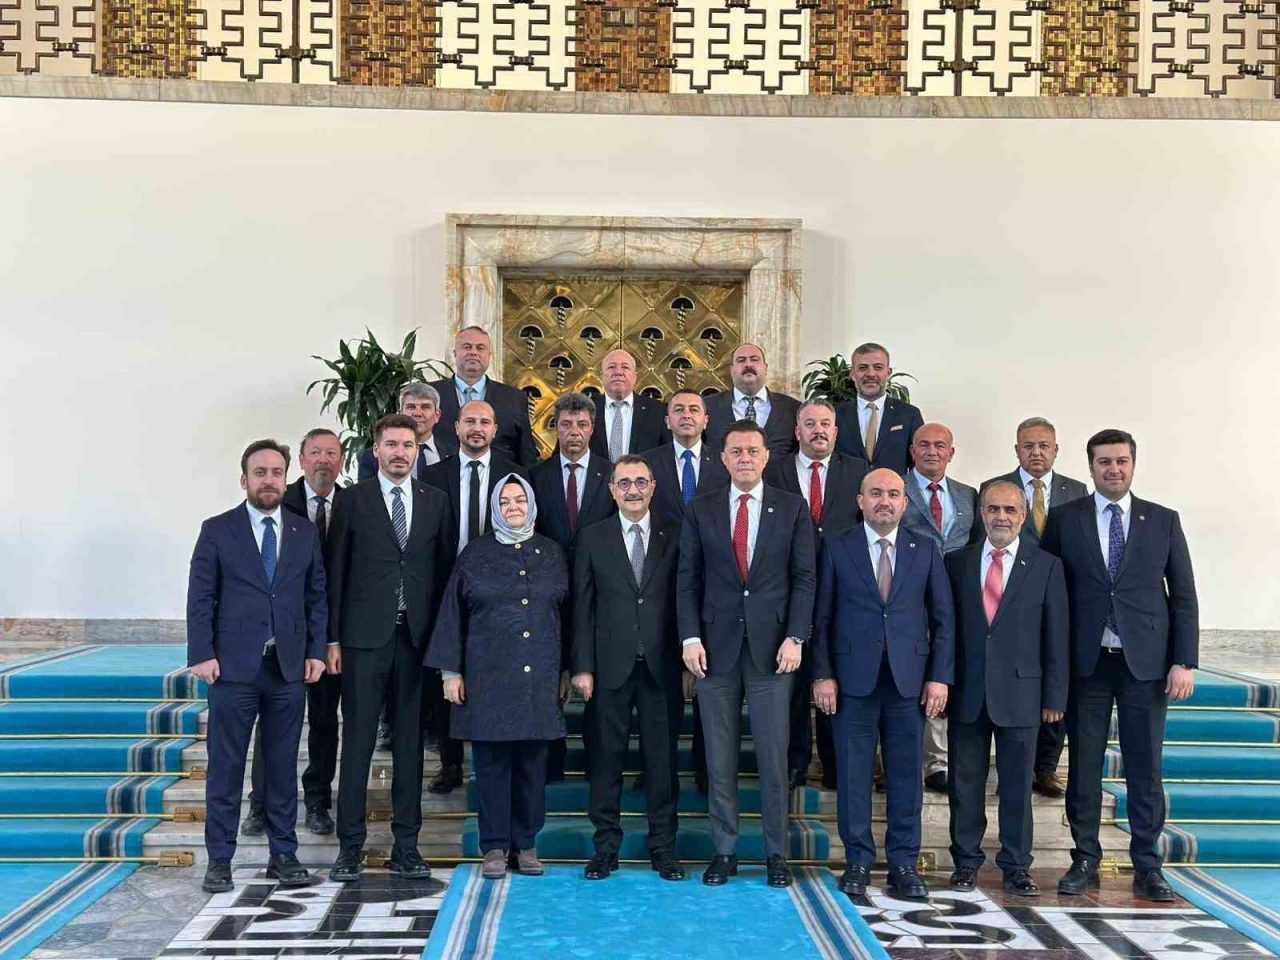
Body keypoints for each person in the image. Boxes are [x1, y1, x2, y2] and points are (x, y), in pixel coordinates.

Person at [1043, 429, 1198, 903]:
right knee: (1084, 766)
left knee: (1145, 767)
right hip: (1086, 664)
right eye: (1104, 462)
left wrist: (1184, 661)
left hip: (1145, 665)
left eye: (1121, 461)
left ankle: (1147, 865)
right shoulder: (1066, 519)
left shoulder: (1163, 520)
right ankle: (1084, 858)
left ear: (1133, 464)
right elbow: (1050, 595)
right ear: (1090, 467)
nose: (1113, 469)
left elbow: (1184, 596)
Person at [678, 420, 815, 889]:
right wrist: (689, 638)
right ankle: (725, 852)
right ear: (722, 457)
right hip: (714, 652)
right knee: (719, 760)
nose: (744, 458)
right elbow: (687, 580)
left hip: (773, 651)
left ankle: (776, 854)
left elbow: (804, 578)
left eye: (752, 451)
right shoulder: (701, 509)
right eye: (736, 451)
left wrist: (796, 637)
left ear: (766, 456)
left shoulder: (792, 508)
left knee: (773, 760)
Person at [186, 439, 327, 894]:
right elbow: (200, 597)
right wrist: (201, 653)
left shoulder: (303, 531)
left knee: (283, 766)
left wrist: (316, 651)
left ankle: (283, 855)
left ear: (287, 478)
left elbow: (316, 596)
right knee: (226, 766)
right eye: (260, 472)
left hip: (287, 668)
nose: (269, 480)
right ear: (244, 479)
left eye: (276, 472)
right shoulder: (217, 529)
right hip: (232, 669)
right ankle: (219, 860)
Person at [812, 468, 953, 901]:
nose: (884, 501)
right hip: (851, 683)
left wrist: (939, 677)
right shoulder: (837, 547)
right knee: (853, 776)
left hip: (908, 683)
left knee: (906, 777)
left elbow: (943, 620)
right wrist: (823, 674)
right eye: (876, 493)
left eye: (893, 494)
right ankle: (857, 861)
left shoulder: (924, 549)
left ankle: (903, 864)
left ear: (905, 503)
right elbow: (822, 619)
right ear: (861, 501)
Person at [325, 414, 452, 883]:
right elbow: (335, 571)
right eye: (392, 444)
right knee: (358, 743)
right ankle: (349, 847)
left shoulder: (436, 500)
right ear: (375, 450)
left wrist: (443, 645)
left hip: (415, 642)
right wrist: (332, 638)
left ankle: (407, 846)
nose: (400, 453)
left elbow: (442, 574)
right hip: (362, 641)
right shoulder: (352, 500)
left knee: (410, 747)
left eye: (408, 445)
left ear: (418, 450)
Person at [427, 475, 569, 879]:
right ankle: (494, 846)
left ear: (531, 504)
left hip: (539, 676)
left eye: (519, 499)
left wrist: (566, 669)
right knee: (491, 767)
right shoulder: (475, 554)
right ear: (495, 509)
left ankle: (526, 844)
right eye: (505, 502)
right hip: (487, 677)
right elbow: (452, 613)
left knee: (531, 767)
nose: (513, 507)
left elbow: (568, 615)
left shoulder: (551, 552)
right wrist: (450, 672)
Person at [944, 481, 1068, 897]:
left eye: (1010, 510)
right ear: (982, 513)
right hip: (968, 693)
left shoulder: (1046, 565)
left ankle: (1016, 866)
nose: (1001, 516)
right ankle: (965, 862)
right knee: (965, 785)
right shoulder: (957, 563)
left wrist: (1054, 696)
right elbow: (945, 630)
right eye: (993, 509)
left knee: (1017, 786)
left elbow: (1056, 635)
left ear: (1023, 515)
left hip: (1022, 694)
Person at [571, 456, 685, 882]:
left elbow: (685, 599)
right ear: (612, 490)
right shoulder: (592, 537)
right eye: (624, 483)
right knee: (606, 762)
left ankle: (664, 849)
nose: (633, 489)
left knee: (662, 764)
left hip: (662, 667)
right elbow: (582, 607)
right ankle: (605, 850)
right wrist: (582, 666)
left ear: (653, 486)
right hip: (607, 669)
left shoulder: (676, 533)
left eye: (640, 481)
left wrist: (688, 660)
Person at [976, 416, 1090, 800]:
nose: (1036, 452)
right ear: (1017, 450)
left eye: (1043, 446)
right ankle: (1011, 767)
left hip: (1059, 598)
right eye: (1028, 446)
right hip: (1008, 603)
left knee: (1056, 681)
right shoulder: (994, 490)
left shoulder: (1076, 491)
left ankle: (1046, 768)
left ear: (1056, 450)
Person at [244, 428, 347, 839]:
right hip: (278, 635)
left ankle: (318, 802)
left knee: (324, 721)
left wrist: (331, 638)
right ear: (300, 462)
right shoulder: (274, 502)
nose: (324, 460)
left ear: (341, 461)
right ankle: (261, 803)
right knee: (270, 723)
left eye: (332, 453)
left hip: (329, 636)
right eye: (315, 452)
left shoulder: (354, 504)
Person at [420, 401, 526, 795]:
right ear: (456, 427)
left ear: (495, 429)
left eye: (485, 421)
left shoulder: (515, 474)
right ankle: (450, 765)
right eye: (470, 421)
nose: (477, 428)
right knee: (447, 675)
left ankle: (497, 758)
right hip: (445, 586)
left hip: (500, 592)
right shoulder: (433, 475)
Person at [762, 398, 867, 790]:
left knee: (834, 678)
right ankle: (795, 763)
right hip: (788, 590)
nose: (818, 430)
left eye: (825, 424)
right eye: (810, 423)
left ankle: (835, 765)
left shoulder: (858, 470)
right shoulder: (774, 471)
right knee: (792, 683)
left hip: (843, 592)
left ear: (835, 432)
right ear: (797, 431)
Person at [643, 389, 728, 793]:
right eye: (678, 409)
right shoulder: (649, 463)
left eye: (694, 409)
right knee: (662, 689)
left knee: (709, 684)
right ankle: (658, 772)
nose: (686, 415)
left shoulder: (723, 463)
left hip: (711, 588)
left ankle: (706, 770)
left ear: (706, 420)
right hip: (657, 585)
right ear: (668, 420)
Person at [529, 392, 617, 781]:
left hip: (600, 593)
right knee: (549, 677)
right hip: (548, 593)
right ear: (556, 428)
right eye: (566, 424)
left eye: (581, 424)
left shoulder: (611, 474)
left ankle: (599, 763)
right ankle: (551, 762)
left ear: (592, 428)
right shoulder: (536, 476)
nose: (574, 432)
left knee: (597, 678)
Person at [900, 422, 976, 793]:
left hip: (958, 600)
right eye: (924, 445)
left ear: (951, 452)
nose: (932, 451)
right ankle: (901, 760)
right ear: (912, 451)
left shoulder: (968, 495)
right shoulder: (895, 489)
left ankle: (939, 763)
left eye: (940, 445)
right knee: (909, 676)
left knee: (945, 674)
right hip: (909, 598)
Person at [430, 326, 537, 467]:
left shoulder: (514, 398)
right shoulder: (431, 394)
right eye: (467, 347)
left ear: (489, 356)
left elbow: (525, 453)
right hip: (442, 477)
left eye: (480, 348)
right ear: (455, 353)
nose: (473, 352)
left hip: (498, 477)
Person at [834, 342, 924, 475]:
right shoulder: (836, 415)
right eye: (863, 368)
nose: (871, 374)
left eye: (878, 367)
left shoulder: (909, 415)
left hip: (895, 488)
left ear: (888, 373)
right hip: (847, 489)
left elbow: (919, 463)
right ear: (852, 374)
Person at [704, 343, 800, 457]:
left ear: (765, 368)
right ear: (731, 370)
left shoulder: (793, 408)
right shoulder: (707, 407)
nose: (748, 364)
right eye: (741, 360)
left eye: (754, 360)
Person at [358, 382, 456, 482]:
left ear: (437, 415)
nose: (418, 413)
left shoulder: (454, 453)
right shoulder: (372, 456)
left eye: (425, 407)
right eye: (411, 407)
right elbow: (366, 491)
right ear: (400, 413)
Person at [590, 348, 669, 460]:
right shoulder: (586, 409)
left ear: (635, 376)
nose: (618, 372)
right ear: (602, 376)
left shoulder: (658, 411)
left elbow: (667, 454)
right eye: (611, 367)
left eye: (625, 367)